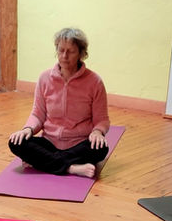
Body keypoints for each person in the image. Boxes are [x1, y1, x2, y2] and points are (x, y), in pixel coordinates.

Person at [8, 28, 110, 178]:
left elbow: (101, 119)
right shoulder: (44, 78)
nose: (64, 56)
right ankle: (72, 168)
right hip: (50, 142)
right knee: (16, 142)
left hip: (79, 143)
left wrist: (97, 132)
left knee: (100, 149)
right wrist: (28, 129)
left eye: (71, 51)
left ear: (81, 54)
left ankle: (43, 162)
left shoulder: (95, 82)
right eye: (61, 50)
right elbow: (38, 113)